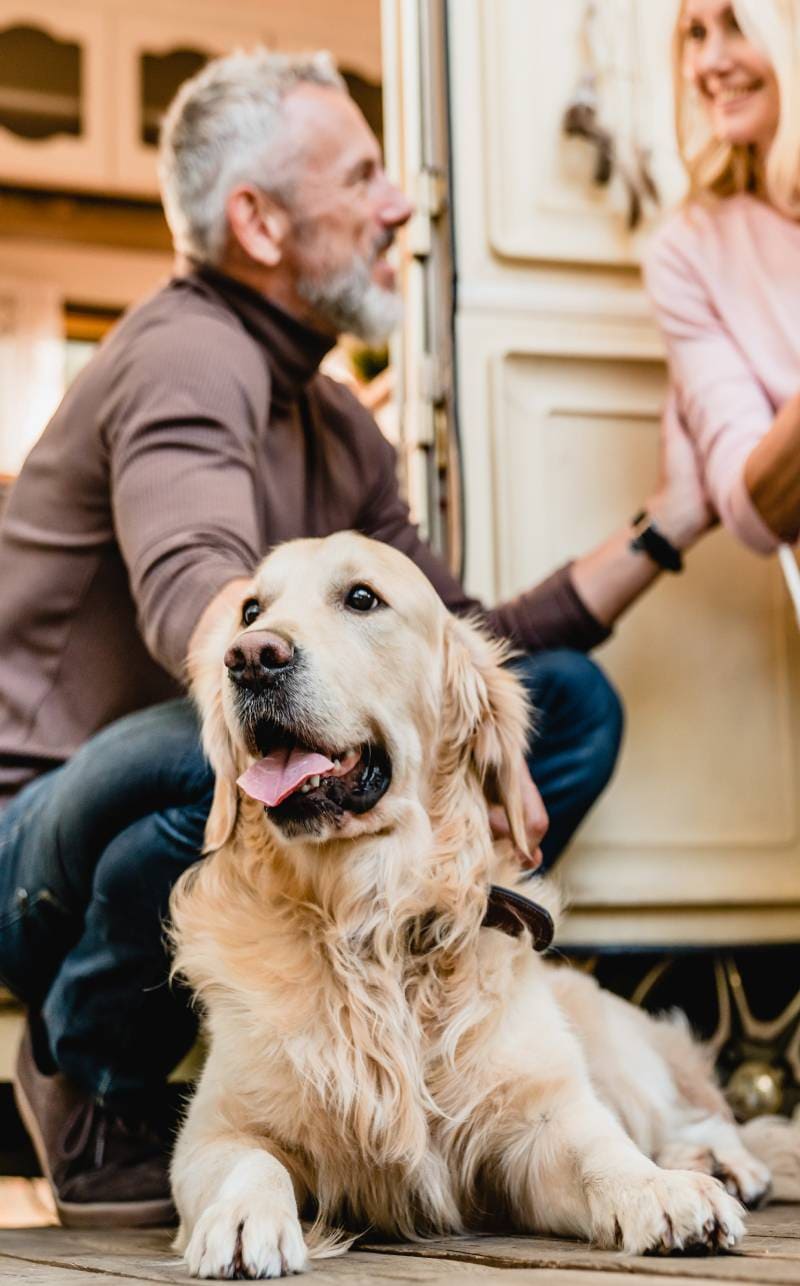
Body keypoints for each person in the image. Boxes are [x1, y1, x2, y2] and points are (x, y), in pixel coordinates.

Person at [0, 50, 711, 1227]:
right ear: (259, 221)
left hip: (248, 791)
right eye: (365, 175)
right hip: (40, 849)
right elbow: (201, 608)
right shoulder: (186, 351)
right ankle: (94, 1066)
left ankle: (404, 963)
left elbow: (463, 633)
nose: (399, 205)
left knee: (567, 700)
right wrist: (297, 666)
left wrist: (667, 522)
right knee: (214, 741)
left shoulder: (336, 417)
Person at [644, 0, 800, 553]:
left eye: (738, 25)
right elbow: (751, 514)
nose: (708, 62)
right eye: (695, 33)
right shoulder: (688, 254)